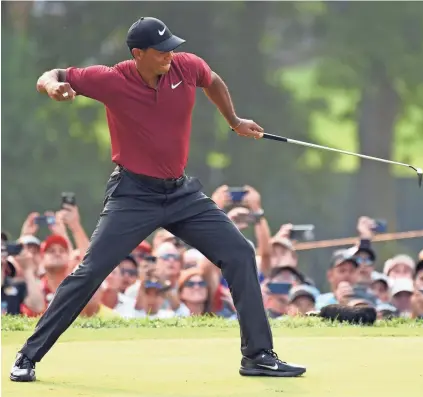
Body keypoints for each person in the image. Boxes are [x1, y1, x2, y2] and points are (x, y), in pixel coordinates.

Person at [10, 17, 306, 382]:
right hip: (133, 194)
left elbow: (211, 80)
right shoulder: (112, 79)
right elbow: (50, 74)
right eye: (161, 50)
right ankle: (27, 356)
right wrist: (54, 87)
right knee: (90, 273)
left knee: (240, 252)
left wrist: (233, 120)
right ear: (138, 54)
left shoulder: (187, 66)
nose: (170, 54)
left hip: (181, 192)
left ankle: (258, 355)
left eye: (172, 47)